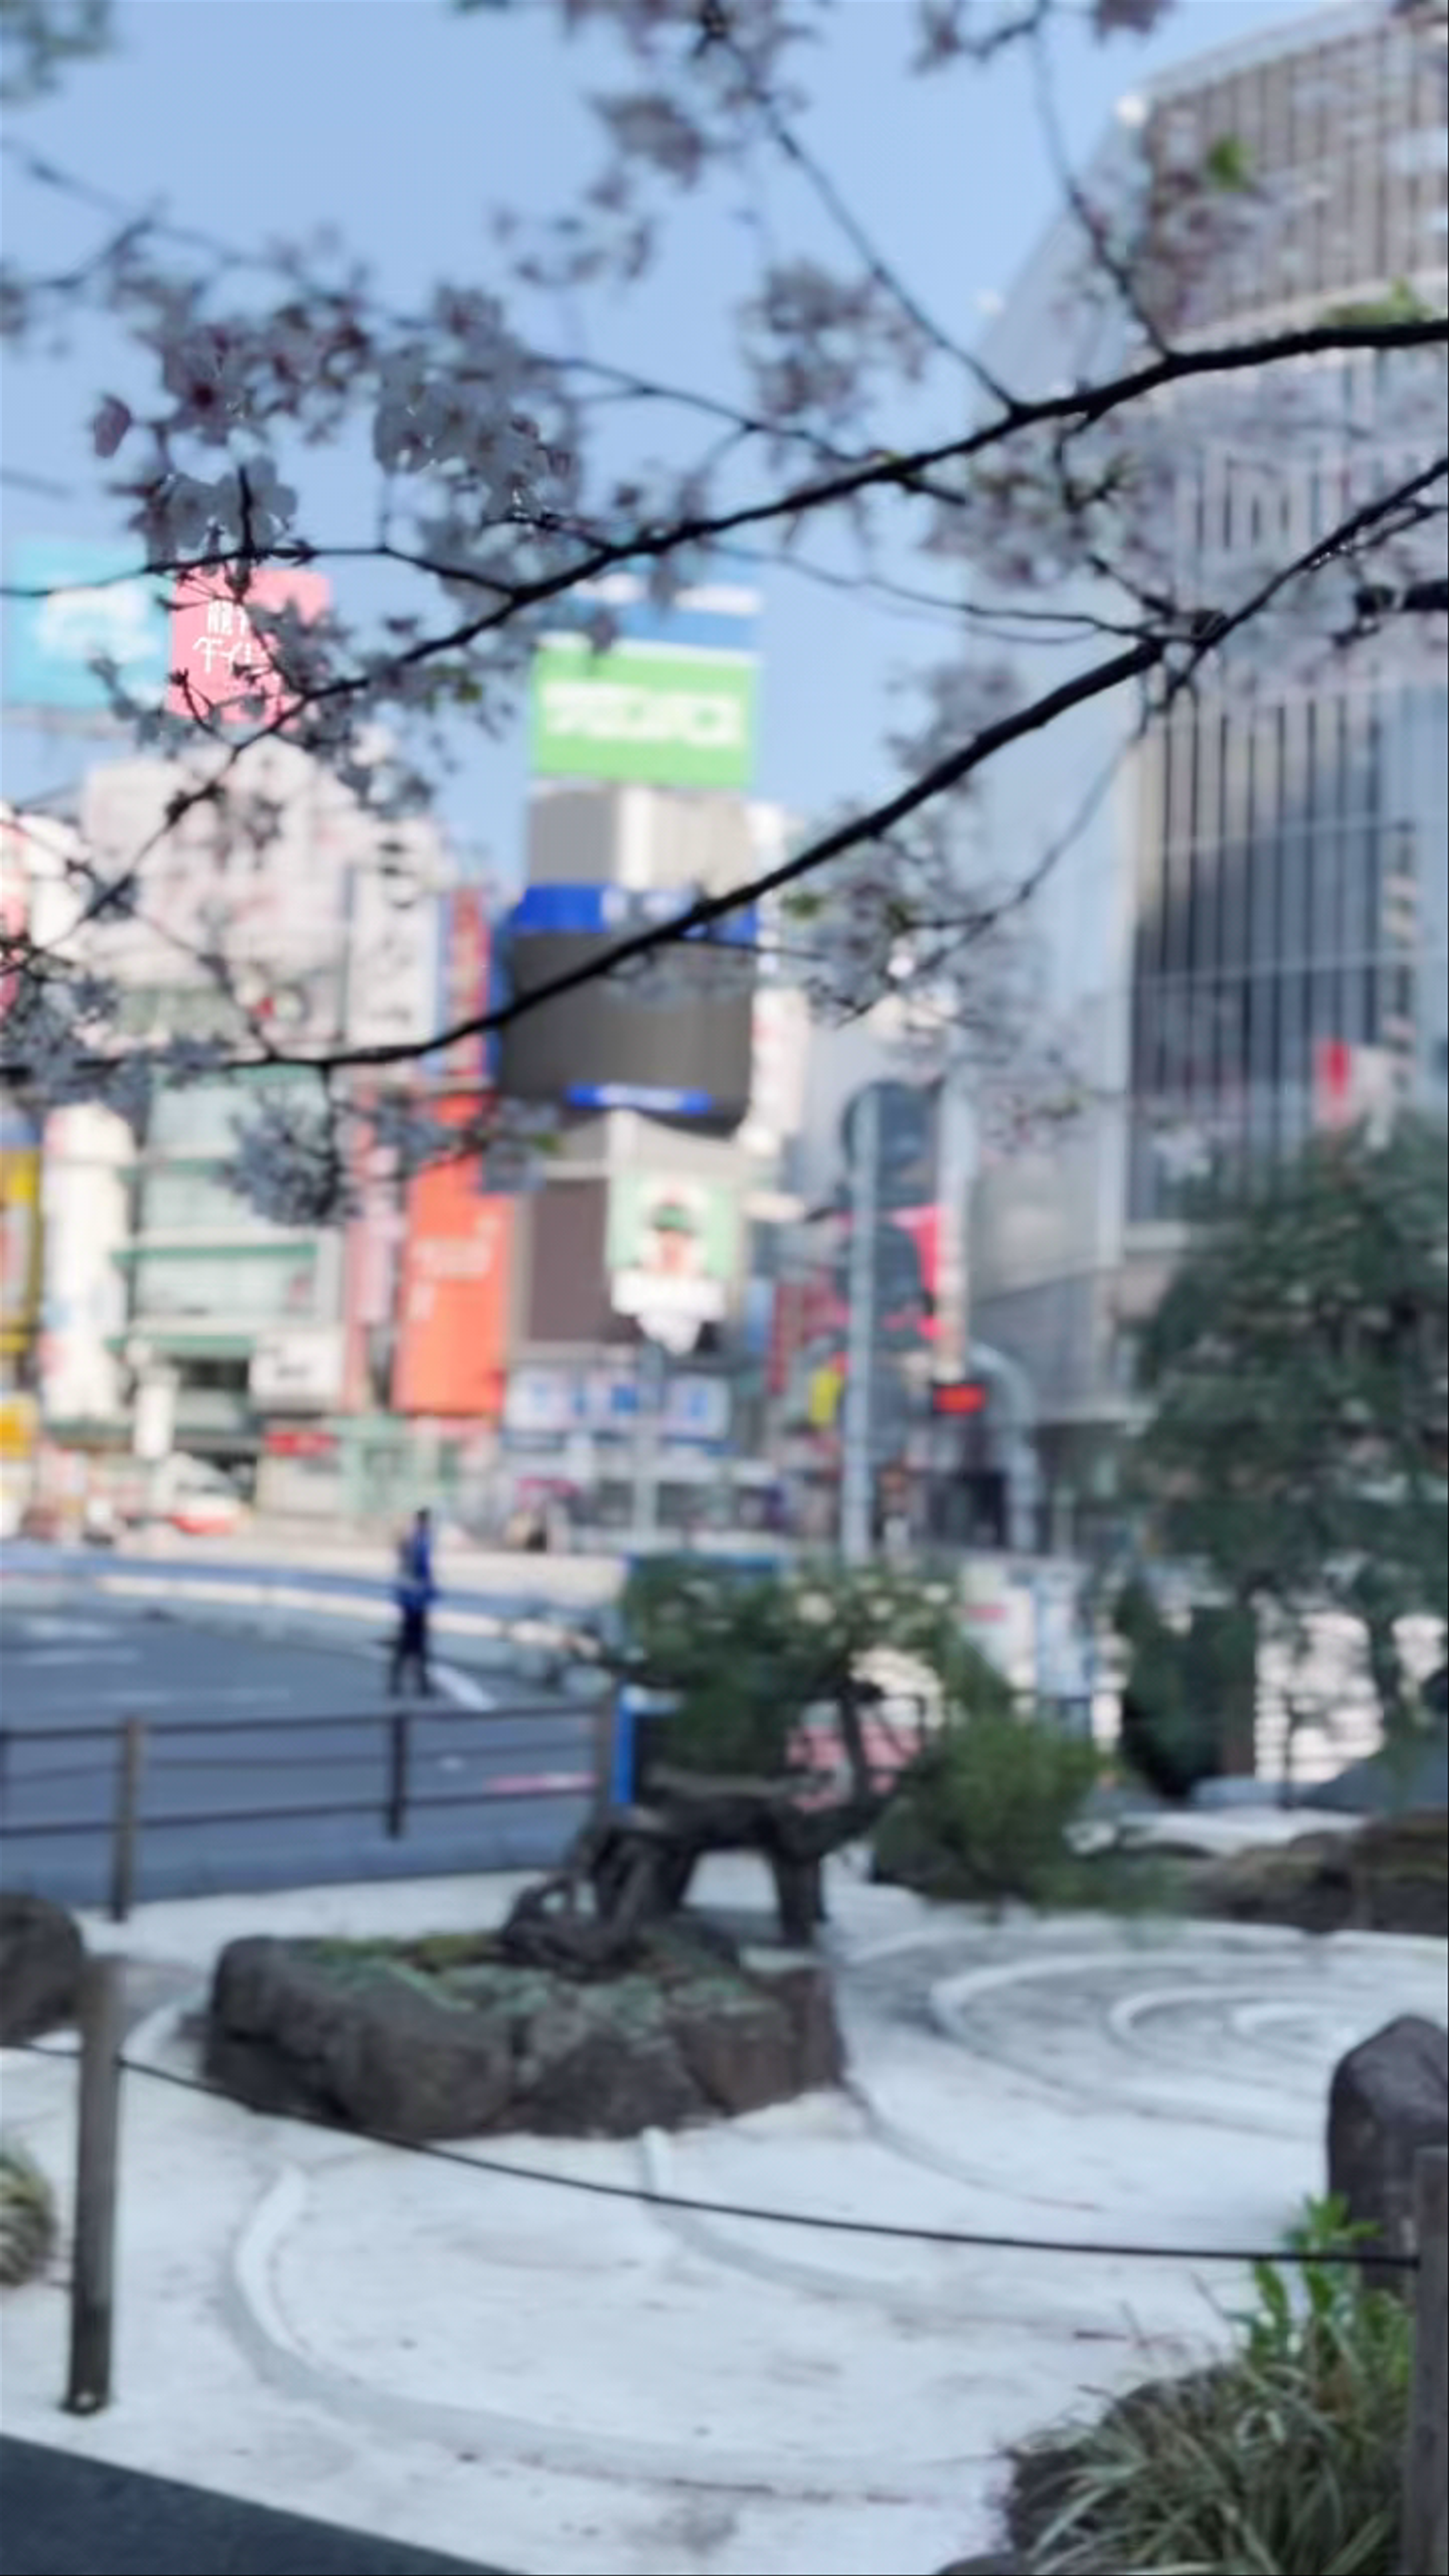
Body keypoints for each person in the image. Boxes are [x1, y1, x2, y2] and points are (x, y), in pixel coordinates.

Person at [388, 1507, 437, 1698]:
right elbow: (423, 1573)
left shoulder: (411, 1540)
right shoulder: (420, 1542)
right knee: (415, 1643)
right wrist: (429, 1593)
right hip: (416, 1600)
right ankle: (419, 1685)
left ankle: (410, 1683)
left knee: (411, 1643)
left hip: (409, 1598)